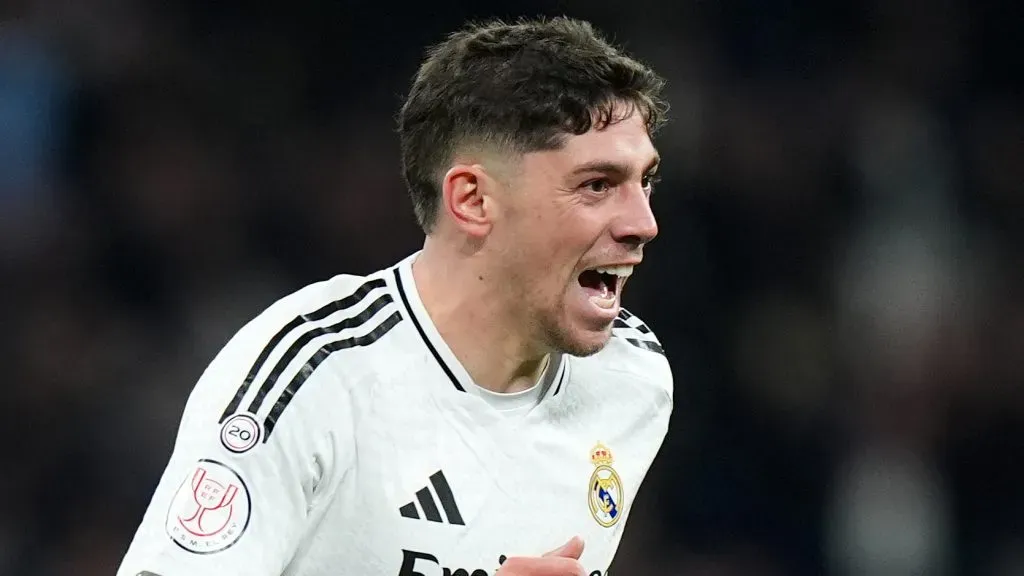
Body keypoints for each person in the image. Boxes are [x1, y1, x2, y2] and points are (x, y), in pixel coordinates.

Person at [116, 15, 672, 576]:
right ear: (473, 200)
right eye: (596, 185)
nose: (643, 222)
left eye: (644, 180)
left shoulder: (633, 380)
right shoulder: (316, 374)